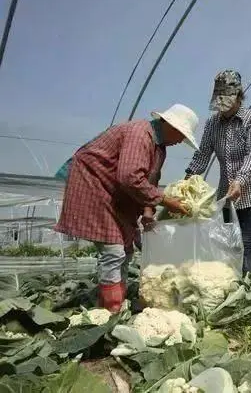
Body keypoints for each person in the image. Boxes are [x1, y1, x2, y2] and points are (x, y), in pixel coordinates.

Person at [55, 104, 200, 312]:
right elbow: (129, 177)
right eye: (181, 135)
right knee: (114, 250)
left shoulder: (159, 148)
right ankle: (110, 309)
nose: (180, 141)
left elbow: (150, 179)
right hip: (94, 184)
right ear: (170, 126)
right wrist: (166, 201)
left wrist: (148, 211)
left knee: (126, 249)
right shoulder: (140, 134)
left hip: (116, 193)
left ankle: (114, 299)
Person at [185, 70, 251, 275]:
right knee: (229, 245)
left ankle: (247, 289)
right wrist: (187, 181)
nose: (222, 107)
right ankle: (230, 283)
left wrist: (240, 181)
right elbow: (202, 155)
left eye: (227, 100)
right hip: (227, 196)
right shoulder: (213, 124)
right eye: (219, 101)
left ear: (238, 97)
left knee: (247, 244)